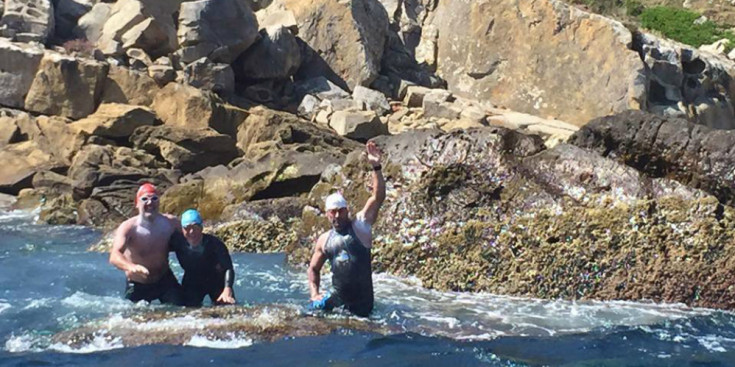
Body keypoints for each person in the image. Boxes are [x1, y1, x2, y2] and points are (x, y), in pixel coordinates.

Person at [307, 141, 386, 317]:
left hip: (363, 308)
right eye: (332, 212)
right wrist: (314, 294)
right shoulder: (324, 240)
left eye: (340, 211)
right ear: (327, 214)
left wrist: (376, 167)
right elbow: (313, 269)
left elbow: (377, 197)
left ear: (347, 210)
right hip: (336, 306)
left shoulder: (360, 226)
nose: (337, 216)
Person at [109, 183, 184, 305]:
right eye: (145, 199)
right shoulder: (128, 227)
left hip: (164, 280)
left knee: (184, 313)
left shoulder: (171, 223)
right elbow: (114, 256)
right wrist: (131, 267)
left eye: (154, 198)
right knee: (134, 320)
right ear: (137, 203)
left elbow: (193, 238)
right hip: (138, 284)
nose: (150, 203)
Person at [169, 209, 236, 307]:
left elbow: (228, 268)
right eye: (187, 228)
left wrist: (227, 289)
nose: (192, 232)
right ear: (182, 229)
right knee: (189, 312)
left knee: (227, 308)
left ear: (201, 227)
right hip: (192, 281)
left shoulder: (214, 244)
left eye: (195, 227)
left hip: (216, 281)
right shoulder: (177, 242)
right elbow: (157, 250)